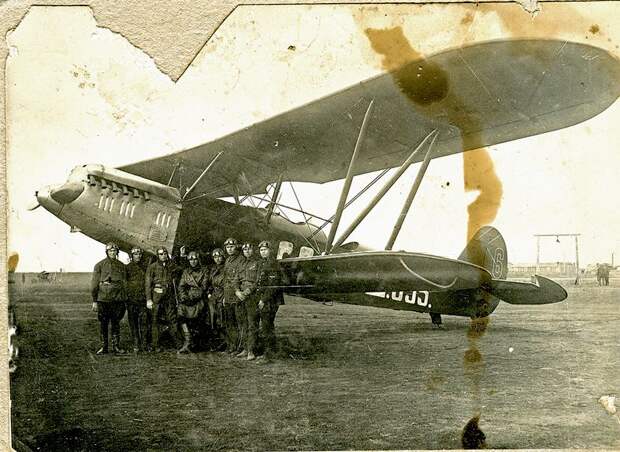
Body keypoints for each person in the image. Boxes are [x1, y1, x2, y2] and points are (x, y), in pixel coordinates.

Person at [90, 242, 127, 355]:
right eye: (110, 251)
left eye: (114, 251)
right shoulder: (99, 265)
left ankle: (116, 346)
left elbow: (125, 283)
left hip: (117, 299)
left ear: (117, 252)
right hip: (103, 299)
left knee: (116, 323)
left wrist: (124, 299)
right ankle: (104, 346)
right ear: (107, 252)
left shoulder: (121, 266)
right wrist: (95, 301)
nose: (112, 253)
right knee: (103, 323)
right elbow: (94, 285)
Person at [255, 240, 286, 361]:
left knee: (267, 326)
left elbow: (272, 286)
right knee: (266, 325)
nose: (263, 252)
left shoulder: (273, 264)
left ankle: (268, 354)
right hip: (264, 299)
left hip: (270, 300)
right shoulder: (262, 263)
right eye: (261, 250)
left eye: (265, 250)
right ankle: (269, 351)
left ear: (270, 251)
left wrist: (263, 299)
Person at [145, 247, 180, 352]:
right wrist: (149, 299)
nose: (163, 256)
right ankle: (155, 345)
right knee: (155, 320)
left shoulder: (172, 266)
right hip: (157, 296)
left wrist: (181, 256)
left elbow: (180, 270)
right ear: (157, 256)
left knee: (172, 319)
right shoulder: (152, 267)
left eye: (165, 253)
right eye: (160, 254)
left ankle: (178, 344)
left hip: (169, 297)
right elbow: (147, 284)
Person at [177, 251, 208, 354]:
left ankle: (196, 342)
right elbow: (181, 286)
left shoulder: (204, 271)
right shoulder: (186, 272)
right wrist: (183, 296)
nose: (193, 262)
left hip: (198, 299)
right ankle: (188, 341)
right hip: (187, 299)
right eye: (191, 259)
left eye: (195, 259)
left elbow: (203, 287)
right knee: (181, 312)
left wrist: (193, 297)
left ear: (198, 260)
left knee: (198, 316)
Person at [222, 237, 246, 354]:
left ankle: (240, 347)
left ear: (236, 247)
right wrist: (224, 296)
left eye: (231, 247)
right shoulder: (228, 260)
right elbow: (226, 279)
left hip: (237, 295)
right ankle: (232, 346)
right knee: (230, 323)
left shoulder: (241, 259)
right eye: (227, 247)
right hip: (228, 296)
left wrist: (238, 292)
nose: (229, 249)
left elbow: (239, 278)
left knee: (239, 322)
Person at [125, 247, 150, 353]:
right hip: (131, 300)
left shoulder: (146, 267)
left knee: (144, 322)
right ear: (132, 256)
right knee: (133, 323)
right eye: (135, 254)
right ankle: (136, 344)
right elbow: (124, 283)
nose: (138, 256)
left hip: (142, 299)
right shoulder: (127, 268)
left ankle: (144, 344)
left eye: (139, 254)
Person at [239, 242, 260, 360]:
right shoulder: (241, 263)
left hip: (252, 296)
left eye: (249, 249)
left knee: (252, 323)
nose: (247, 251)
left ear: (253, 250)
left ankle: (251, 350)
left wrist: (248, 291)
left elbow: (258, 281)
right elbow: (236, 278)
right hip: (241, 295)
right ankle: (245, 348)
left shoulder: (257, 263)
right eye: (245, 249)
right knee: (243, 323)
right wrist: (237, 291)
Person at [207, 248, 226, 351]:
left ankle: (225, 341)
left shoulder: (226, 268)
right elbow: (210, 282)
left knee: (222, 319)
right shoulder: (213, 269)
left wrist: (225, 296)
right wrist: (209, 293)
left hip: (223, 295)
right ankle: (217, 341)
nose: (217, 259)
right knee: (212, 319)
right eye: (215, 257)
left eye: (219, 256)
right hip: (214, 296)